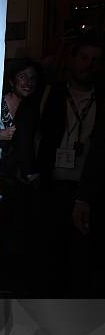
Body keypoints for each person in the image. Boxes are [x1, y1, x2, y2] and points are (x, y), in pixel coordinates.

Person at [38, 33, 104, 296]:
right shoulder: (51, 93)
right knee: (50, 259)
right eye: (84, 57)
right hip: (51, 187)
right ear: (73, 59)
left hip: (86, 192)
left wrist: (86, 196)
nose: (89, 64)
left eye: (96, 60)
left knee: (81, 262)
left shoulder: (101, 99)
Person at [0, 58, 41, 296]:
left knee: (8, 233)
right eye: (23, 77)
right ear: (11, 80)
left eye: (32, 78)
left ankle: (4, 283)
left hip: (13, 181)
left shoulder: (31, 110)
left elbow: (27, 147)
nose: (28, 83)